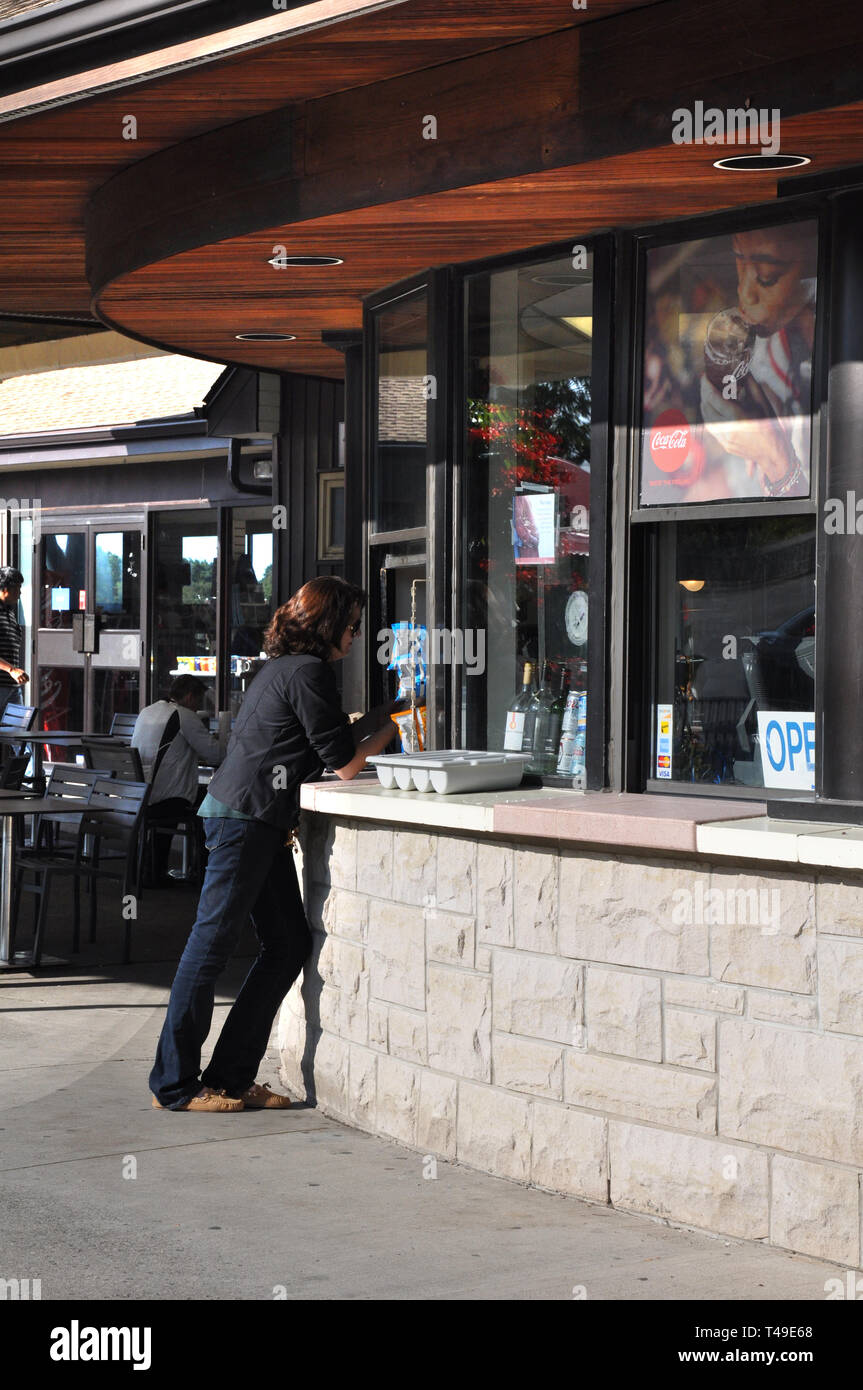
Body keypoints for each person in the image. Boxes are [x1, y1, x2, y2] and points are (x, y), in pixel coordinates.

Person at [149, 576, 401, 1113]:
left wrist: (373, 722)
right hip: (244, 821)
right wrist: (393, 729)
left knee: (287, 944)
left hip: (251, 819)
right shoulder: (309, 672)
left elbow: (320, 744)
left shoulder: (280, 670)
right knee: (210, 946)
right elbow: (345, 764)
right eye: (352, 625)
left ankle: (231, 1079)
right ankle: (174, 1086)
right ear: (329, 625)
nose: (356, 636)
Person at [132, 674, 223, 885]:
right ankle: (202, 872)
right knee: (210, 803)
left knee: (188, 794)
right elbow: (215, 755)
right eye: (198, 701)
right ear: (190, 697)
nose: (197, 707)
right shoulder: (184, 716)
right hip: (164, 799)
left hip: (139, 795)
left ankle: (153, 869)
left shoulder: (147, 711)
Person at [0, 566, 28, 717]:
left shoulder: (10, 612)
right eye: (17, 588)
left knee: (20, 737)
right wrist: (11, 670)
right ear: (5, 588)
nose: (20, 593)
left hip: (12, 688)